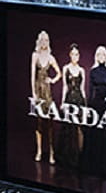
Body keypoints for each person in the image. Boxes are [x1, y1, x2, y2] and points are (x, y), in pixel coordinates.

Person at [81, 45, 106, 180]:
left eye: (103, 54)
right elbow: (90, 91)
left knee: (103, 137)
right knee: (91, 136)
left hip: (104, 107)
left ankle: (103, 169)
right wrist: (88, 108)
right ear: (96, 56)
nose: (101, 57)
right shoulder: (93, 71)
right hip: (94, 105)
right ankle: (90, 168)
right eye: (99, 54)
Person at [29, 30, 60, 163]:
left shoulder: (51, 57)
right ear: (38, 41)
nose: (44, 42)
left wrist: (52, 80)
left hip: (47, 92)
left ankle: (52, 152)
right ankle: (39, 151)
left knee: (50, 123)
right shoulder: (34, 55)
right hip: (38, 90)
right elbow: (32, 75)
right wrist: (34, 93)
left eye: (46, 40)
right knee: (39, 123)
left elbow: (59, 73)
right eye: (41, 40)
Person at [56, 43, 86, 168]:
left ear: (79, 56)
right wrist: (62, 102)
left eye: (77, 54)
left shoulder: (82, 70)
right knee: (67, 128)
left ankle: (80, 157)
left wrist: (85, 105)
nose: (75, 57)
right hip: (69, 99)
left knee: (79, 129)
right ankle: (67, 157)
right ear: (70, 55)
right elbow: (64, 86)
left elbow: (83, 88)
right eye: (73, 54)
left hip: (79, 100)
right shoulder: (65, 68)